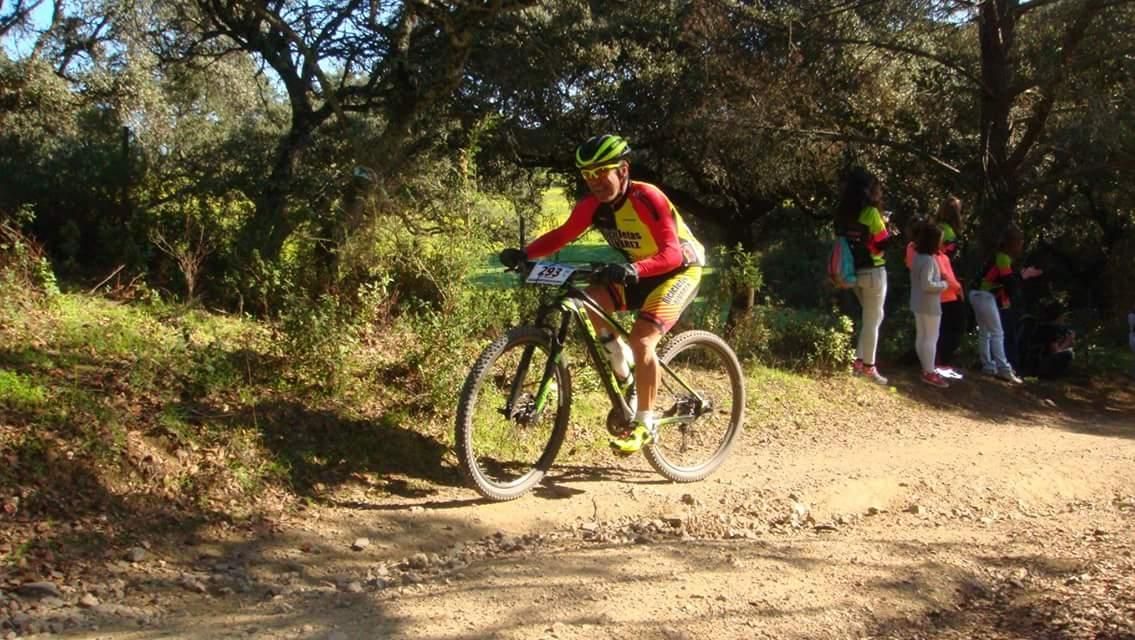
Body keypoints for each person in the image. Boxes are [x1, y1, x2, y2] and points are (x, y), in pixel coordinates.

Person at [498, 134, 705, 455]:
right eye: (587, 175)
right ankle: (627, 377)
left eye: (601, 172)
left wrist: (634, 270)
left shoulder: (647, 197)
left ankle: (645, 423)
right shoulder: (593, 206)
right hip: (640, 270)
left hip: (679, 270)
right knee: (590, 299)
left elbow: (672, 254)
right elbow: (563, 235)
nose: (594, 181)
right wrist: (526, 254)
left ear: (623, 170)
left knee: (642, 340)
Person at [835, 168, 893, 384]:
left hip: (852, 272)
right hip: (874, 272)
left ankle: (859, 362)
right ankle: (869, 367)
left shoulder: (843, 214)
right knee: (872, 320)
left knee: (871, 319)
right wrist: (888, 228)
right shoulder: (871, 213)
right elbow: (882, 244)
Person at [968, 225, 1041, 383]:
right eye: (1020, 243)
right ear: (1013, 243)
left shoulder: (998, 256)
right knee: (997, 332)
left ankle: (988, 366)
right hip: (984, 296)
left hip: (976, 294)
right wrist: (1024, 276)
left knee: (985, 332)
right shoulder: (1003, 258)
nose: (1021, 246)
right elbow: (1010, 284)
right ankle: (1003, 369)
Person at [910, 223, 950, 387]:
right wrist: (943, 284)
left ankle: (926, 369)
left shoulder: (917, 257)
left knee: (922, 336)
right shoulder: (928, 260)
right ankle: (929, 371)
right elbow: (927, 284)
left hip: (918, 302)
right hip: (930, 304)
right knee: (931, 339)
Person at [934, 196, 967, 377]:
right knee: (953, 324)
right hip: (949, 283)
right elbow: (943, 259)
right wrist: (956, 285)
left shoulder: (940, 228)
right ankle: (942, 363)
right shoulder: (945, 231)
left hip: (946, 281)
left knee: (946, 324)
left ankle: (941, 361)